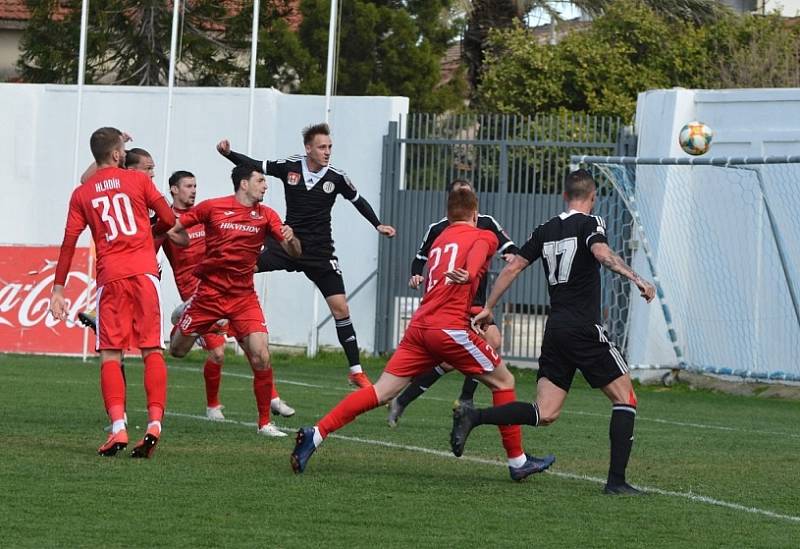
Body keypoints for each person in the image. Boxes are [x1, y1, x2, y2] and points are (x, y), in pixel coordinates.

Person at [290, 187, 555, 481]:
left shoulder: (440, 240)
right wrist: (469, 273)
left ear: (448, 214)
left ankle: (315, 434)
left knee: (381, 391)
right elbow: (478, 257)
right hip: (449, 328)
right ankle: (518, 462)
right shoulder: (484, 234)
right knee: (504, 381)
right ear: (476, 213)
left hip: (419, 328)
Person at [451, 169, 657, 495]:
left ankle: (474, 416)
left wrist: (489, 305)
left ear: (564, 196)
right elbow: (602, 254)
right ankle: (616, 482)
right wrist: (637, 278)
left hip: (556, 330)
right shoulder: (591, 223)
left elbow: (513, 265)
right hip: (583, 329)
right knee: (625, 398)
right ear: (592, 198)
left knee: (544, 413)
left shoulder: (545, 229)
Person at [216, 123, 396, 388]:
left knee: (341, 308)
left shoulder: (337, 177)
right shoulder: (290, 166)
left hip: (320, 252)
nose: (327, 152)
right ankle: (221, 317)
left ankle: (356, 370)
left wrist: (377, 224)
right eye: (322, 147)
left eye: (330, 147)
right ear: (308, 148)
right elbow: (256, 164)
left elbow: (358, 200)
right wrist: (229, 154)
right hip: (287, 243)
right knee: (242, 267)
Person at [49, 126, 181, 458]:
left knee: (111, 354)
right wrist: (145, 232)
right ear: (119, 155)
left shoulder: (82, 193)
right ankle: (154, 424)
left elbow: (68, 243)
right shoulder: (139, 181)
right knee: (152, 350)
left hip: (111, 277)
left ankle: (119, 428)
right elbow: (168, 218)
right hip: (144, 271)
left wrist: (58, 289)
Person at [166, 164, 302, 438]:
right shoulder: (212, 208)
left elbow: (294, 253)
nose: (265, 186)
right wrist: (184, 247)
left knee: (262, 355)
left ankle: (264, 423)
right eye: (261, 181)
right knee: (177, 351)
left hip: (243, 297)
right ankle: (183, 317)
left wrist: (290, 240)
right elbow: (173, 229)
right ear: (244, 184)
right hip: (208, 296)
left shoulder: (267, 215)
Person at [387, 179, 519, 427]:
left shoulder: (487, 223)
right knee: (450, 360)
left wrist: (511, 253)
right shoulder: (438, 228)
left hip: (476, 304)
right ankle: (409, 399)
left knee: (491, 342)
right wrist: (416, 274)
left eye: (468, 194)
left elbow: (508, 245)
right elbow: (419, 259)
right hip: (448, 306)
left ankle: (451, 399)